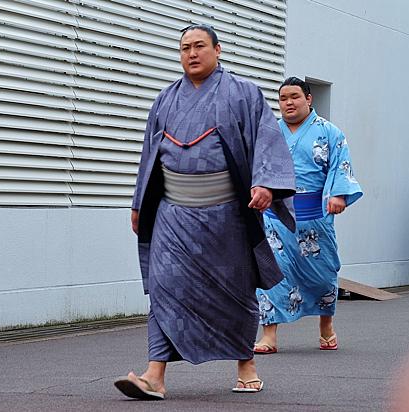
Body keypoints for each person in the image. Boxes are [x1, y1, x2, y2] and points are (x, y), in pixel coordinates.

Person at [114, 24, 296, 400]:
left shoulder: (244, 94)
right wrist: (139, 204)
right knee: (165, 288)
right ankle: (154, 375)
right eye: (185, 48)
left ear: (218, 49)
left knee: (235, 290)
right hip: (172, 215)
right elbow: (149, 155)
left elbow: (267, 139)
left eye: (199, 46)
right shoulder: (165, 99)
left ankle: (246, 366)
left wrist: (265, 183)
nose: (192, 54)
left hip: (226, 213)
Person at [254, 77, 363, 354]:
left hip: (315, 216)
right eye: (283, 98)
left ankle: (326, 325)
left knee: (323, 275)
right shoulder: (269, 132)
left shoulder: (330, 132)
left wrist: (338, 195)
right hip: (275, 216)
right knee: (270, 271)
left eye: (294, 97)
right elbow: (256, 166)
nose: (288, 103)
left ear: (308, 99)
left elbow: (340, 165)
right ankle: (269, 334)